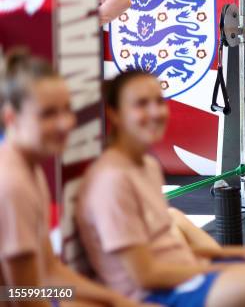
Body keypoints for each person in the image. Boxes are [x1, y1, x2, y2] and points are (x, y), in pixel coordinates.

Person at [75, 70, 245, 307]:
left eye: (158, 101)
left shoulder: (146, 165)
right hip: (160, 292)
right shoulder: (111, 180)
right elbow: (145, 275)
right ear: (115, 114)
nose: (155, 112)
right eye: (141, 104)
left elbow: (170, 249)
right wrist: (219, 269)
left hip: (185, 273)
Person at [0, 49, 142, 307]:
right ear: (11, 118)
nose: (65, 123)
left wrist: (116, 300)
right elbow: (22, 297)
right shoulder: (12, 185)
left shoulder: (29, 168)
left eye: (67, 109)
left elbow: (51, 271)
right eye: (48, 114)